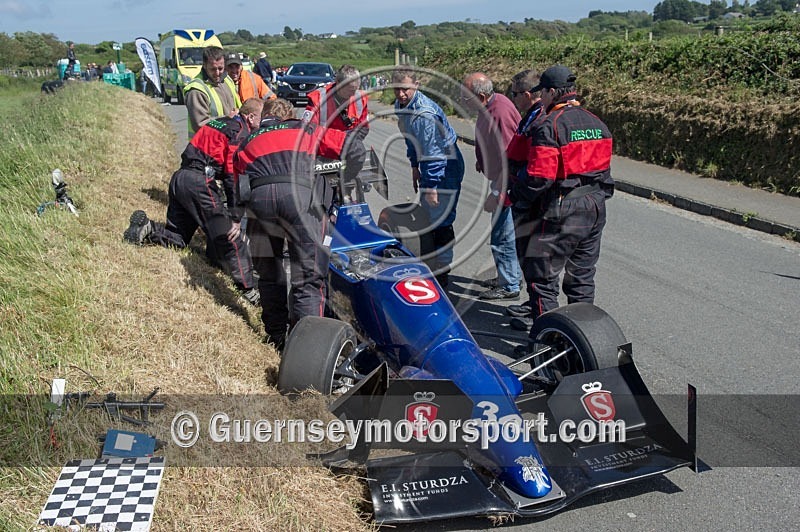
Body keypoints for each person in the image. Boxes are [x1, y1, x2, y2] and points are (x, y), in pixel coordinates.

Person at [234, 98, 366, 350]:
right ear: (289, 116)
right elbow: (354, 147)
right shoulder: (306, 130)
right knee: (307, 278)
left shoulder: (248, 139)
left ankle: (275, 338)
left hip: (259, 201)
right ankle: (305, 350)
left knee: (269, 275)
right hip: (298, 199)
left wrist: (240, 217)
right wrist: (344, 178)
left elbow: (238, 188)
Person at [509, 65, 614, 349]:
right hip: (594, 206)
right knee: (582, 278)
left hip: (561, 208)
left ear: (552, 92)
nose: (540, 98)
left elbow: (539, 178)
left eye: (542, 92)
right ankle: (584, 345)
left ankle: (546, 348)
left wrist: (515, 195)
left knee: (541, 280)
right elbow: (605, 172)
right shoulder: (597, 122)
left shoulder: (549, 125)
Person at [123, 98, 266, 305]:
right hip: (200, 182)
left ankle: (148, 228)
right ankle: (249, 290)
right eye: (261, 119)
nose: (261, 125)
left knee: (178, 236)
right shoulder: (239, 132)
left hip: (180, 177)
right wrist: (236, 216)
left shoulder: (218, 122)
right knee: (231, 235)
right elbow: (232, 174)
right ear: (251, 116)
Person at [392, 67, 464, 287]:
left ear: (416, 85)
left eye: (405, 89)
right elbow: (410, 139)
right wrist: (415, 166)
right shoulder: (401, 106)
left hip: (445, 165)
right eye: (396, 89)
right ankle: (431, 266)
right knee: (429, 217)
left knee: (440, 220)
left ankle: (442, 277)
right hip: (428, 162)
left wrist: (431, 185)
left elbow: (434, 152)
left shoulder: (424, 114)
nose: (401, 94)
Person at [462, 72, 522, 301]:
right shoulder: (489, 107)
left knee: (502, 235)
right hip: (500, 179)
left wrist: (496, 193)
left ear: (482, 96)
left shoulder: (500, 113)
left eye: (466, 98)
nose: (463, 102)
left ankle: (509, 284)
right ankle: (509, 275)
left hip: (506, 184)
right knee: (503, 232)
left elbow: (510, 160)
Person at [505, 69, 546, 331]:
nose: (513, 98)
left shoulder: (540, 119)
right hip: (521, 194)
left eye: (515, 94)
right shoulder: (530, 116)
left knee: (534, 260)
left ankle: (539, 319)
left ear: (528, 95)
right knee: (525, 256)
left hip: (531, 199)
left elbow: (536, 165)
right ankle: (533, 305)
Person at [303, 64, 369, 200]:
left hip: (346, 150)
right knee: (321, 193)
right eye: (350, 90)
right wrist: (333, 145)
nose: (353, 94)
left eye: (355, 89)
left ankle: (346, 195)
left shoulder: (360, 98)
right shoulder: (317, 99)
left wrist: (348, 144)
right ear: (338, 84)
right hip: (321, 150)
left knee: (348, 187)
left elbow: (363, 128)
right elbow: (307, 132)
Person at [184, 46, 241, 139]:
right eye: (213, 69)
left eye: (220, 68)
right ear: (204, 65)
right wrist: (227, 119)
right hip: (206, 147)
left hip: (227, 141)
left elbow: (237, 105)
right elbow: (200, 124)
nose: (217, 73)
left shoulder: (227, 80)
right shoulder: (197, 90)